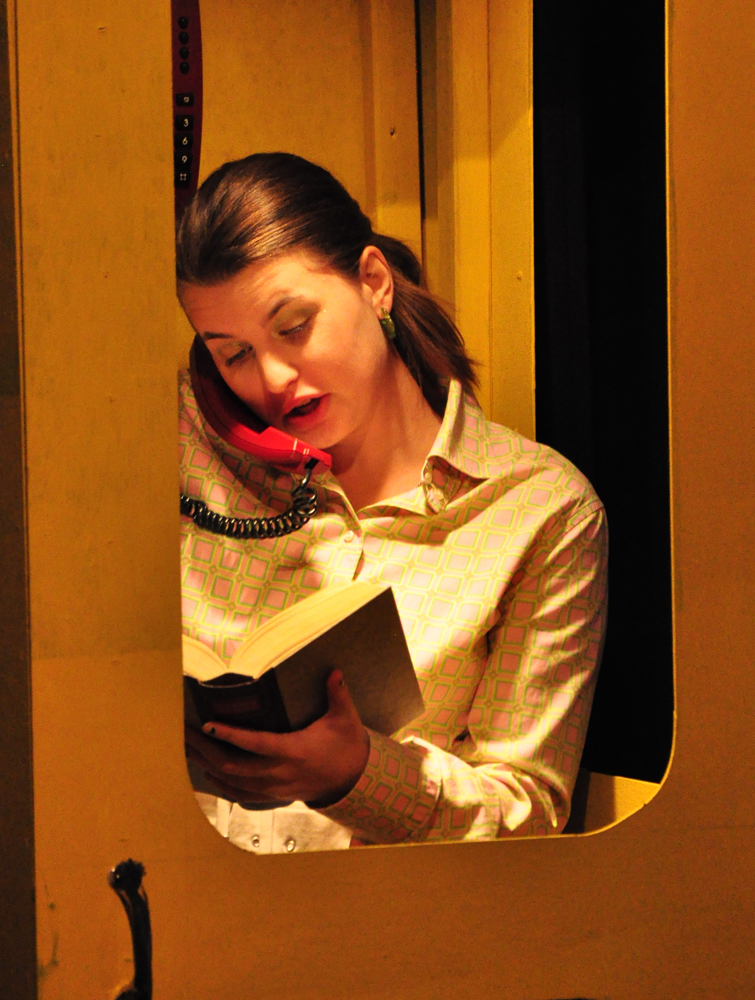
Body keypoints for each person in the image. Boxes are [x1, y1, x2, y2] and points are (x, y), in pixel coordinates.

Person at [177, 152, 607, 853]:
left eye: (294, 326)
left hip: (389, 913)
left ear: (373, 282)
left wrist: (361, 774)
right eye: (234, 355)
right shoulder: (195, 456)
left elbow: (528, 813)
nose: (274, 378)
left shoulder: (536, 509)